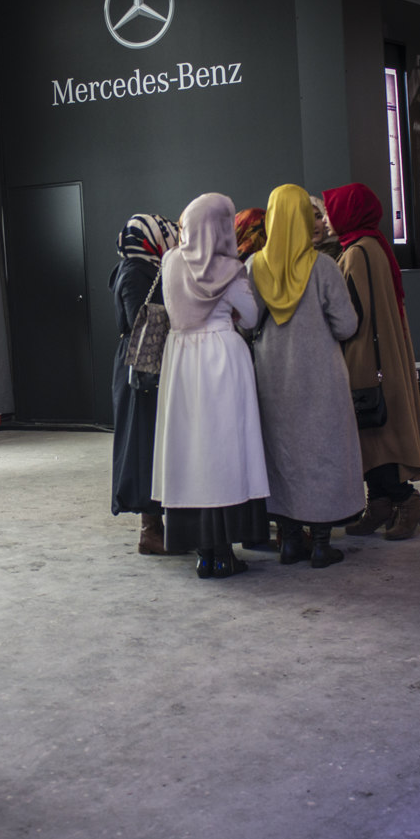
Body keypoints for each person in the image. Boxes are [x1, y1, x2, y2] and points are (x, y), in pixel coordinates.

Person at [151, 194, 269, 579]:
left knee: (191, 448)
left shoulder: (170, 263)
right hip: (222, 356)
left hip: (181, 358)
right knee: (226, 448)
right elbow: (250, 318)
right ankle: (225, 550)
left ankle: (203, 550)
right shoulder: (230, 269)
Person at [248, 183, 363, 567]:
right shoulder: (324, 267)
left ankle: (290, 541)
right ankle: (321, 544)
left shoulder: (254, 266)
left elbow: (247, 323)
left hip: (272, 378)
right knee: (323, 453)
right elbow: (346, 326)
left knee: (282, 454)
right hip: (320, 378)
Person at [325, 183, 420, 541]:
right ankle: (381, 504)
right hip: (379, 353)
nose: (326, 218)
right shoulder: (371, 245)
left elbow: (353, 314)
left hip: (365, 358)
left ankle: (407, 501)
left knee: (374, 433)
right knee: (372, 433)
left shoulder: (358, 251)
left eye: (331, 210)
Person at [108, 214, 181, 554]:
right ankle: (149, 530)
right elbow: (141, 319)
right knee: (145, 443)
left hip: (142, 364)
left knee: (152, 441)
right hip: (142, 367)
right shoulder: (136, 271)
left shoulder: (143, 267)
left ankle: (158, 526)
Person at [309, 195, 341, 260]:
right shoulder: (297, 255)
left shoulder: (341, 250)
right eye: (308, 219)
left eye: (318, 217)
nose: (314, 225)